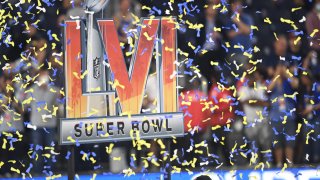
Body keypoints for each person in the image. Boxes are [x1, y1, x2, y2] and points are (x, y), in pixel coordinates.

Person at [25, 68, 59, 176]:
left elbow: (59, 106)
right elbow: (25, 106)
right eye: (42, 76)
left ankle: (50, 171)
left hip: (50, 125)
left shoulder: (55, 90)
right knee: (36, 150)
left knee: (50, 149)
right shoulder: (31, 90)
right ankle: (36, 172)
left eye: (46, 76)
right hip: (36, 125)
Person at [267, 62, 299, 167]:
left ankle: (290, 163)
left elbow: (296, 84)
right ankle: (279, 163)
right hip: (275, 116)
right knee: (277, 141)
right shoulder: (272, 81)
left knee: (290, 140)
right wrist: (276, 74)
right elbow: (268, 89)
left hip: (289, 116)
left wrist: (287, 73)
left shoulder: (288, 81)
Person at [237, 70, 271, 163]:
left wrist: (254, 101)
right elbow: (246, 101)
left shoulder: (261, 88)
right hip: (250, 121)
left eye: (252, 78)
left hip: (263, 120)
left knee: (266, 144)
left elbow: (267, 103)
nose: (251, 80)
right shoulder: (242, 90)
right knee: (253, 144)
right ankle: (255, 166)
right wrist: (259, 102)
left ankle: (268, 164)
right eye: (249, 78)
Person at [226, 0, 253, 68]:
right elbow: (229, 34)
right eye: (235, 5)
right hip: (231, 53)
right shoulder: (228, 20)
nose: (237, 7)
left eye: (239, 5)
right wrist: (241, 30)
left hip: (245, 53)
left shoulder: (247, 18)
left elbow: (248, 31)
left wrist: (237, 21)